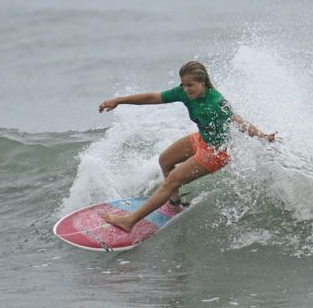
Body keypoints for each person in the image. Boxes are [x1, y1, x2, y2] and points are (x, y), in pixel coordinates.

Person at [97, 61, 277, 232]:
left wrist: (262, 136)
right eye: (183, 85)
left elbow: (238, 121)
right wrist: (119, 100)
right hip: (203, 139)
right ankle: (174, 205)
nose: (185, 89)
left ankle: (129, 221)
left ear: (203, 82)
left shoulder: (217, 103)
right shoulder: (185, 92)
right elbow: (154, 97)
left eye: (190, 85)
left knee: (172, 180)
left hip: (216, 152)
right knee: (165, 160)